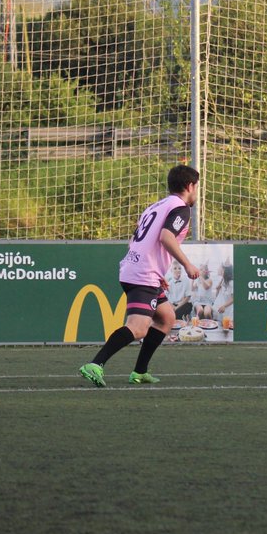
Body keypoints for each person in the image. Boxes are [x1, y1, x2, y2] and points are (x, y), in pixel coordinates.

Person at [79, 164, 201, 387]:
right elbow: (166, 237)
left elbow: (138, 240)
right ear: (190, 186)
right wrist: (187, 265)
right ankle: (95, 364)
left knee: (166, 318)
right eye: (196, 187)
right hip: (142, 274)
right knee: (138, 327)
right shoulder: (181, 208)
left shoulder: (157, 206)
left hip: (138, 269)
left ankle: (140, 371)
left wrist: (156, 272)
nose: (197, 193)